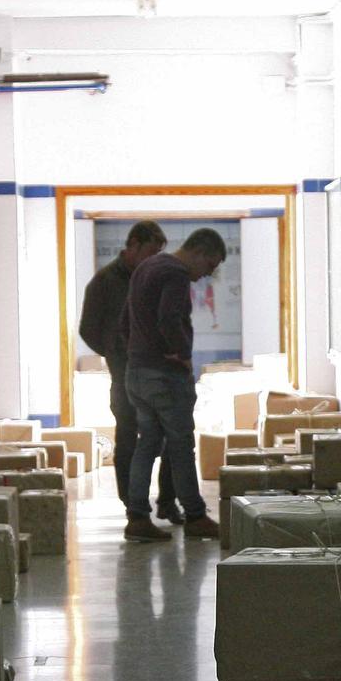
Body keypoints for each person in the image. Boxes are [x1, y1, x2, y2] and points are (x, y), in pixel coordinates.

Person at [121, 228, 227, 542]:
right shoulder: (175, 273)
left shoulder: (146, 267)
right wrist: (181, 353)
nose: (205, 275)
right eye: (210, 266)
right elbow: (169, 318)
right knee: (181, 445)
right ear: (200, 252)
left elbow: (125, 323)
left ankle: (137, 517)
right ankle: (195, 515)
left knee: (147, 443)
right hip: (164, 376)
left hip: (137, 372)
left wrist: (139, 351)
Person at [76, 220, 183, 520]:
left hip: (157, 371)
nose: (153, 260)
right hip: (124, 376)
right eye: (149, 252)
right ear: (132, 245)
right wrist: (115, 353)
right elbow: (88, 329)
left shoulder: (155, 279)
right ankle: (133, 508)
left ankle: (167, 502)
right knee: (128, 438)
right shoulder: (105, 281)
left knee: (174, 436)